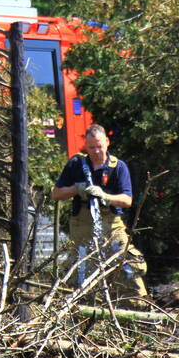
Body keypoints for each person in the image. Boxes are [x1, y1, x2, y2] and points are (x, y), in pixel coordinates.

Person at [52, 124, 148, 304]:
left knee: (127, 266)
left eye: (99, 146)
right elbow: (56, 194)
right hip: (81, 225)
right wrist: (77, 189)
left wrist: (106, 196)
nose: (96, 151)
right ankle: (81, 310)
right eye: (91, 147)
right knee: (81, 272)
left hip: (111, 225)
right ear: (86, 146)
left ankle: (138, 308)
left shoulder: (118, 167)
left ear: (107, 142)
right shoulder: (76, 164)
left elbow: (127, 200)